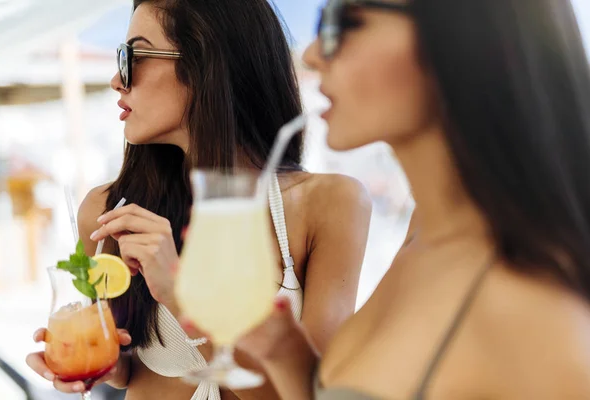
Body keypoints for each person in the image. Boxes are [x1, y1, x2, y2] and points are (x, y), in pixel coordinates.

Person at [179, 0, 590, 398]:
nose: (311, 52)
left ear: (465, 37)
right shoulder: (425, 235)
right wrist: (282, 349)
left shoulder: (532, 302)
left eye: (345, 20)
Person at [26, 0, 372, 399]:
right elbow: (129, 369)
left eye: (133, 55)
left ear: (206, 63)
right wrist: (97, 362)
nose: (116, 80)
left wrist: (178, 292)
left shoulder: (328, 203)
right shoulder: (107, 212)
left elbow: (310, 394)